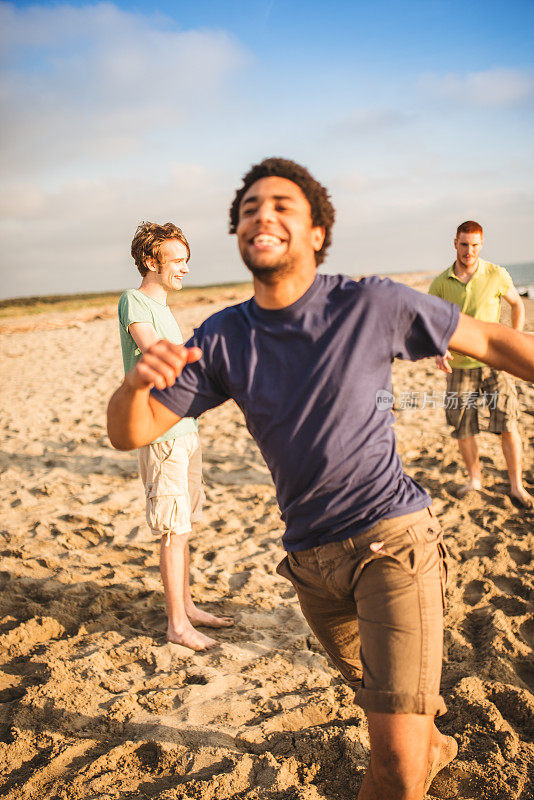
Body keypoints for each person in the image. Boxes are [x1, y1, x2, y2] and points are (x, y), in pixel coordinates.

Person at [108, 159, 534, 800]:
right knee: (394, 718)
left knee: (391, 767)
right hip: (312, 568)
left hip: (394, 545)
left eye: (284, 204)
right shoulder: (224, 337)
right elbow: (129, 432)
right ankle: (434, 745)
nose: (263, 214)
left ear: (317, 232)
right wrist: (135, 382)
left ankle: (418, 753)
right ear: (240, 233)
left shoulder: (369, 304)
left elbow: (492, 340)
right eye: (250, 207)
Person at [118, 221, 232, 652]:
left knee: (184, 525)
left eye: (187, 261)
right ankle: (177, 626)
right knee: (172, 528)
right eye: (177, 261)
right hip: (160, 431)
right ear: (151, 261)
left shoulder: (166, 309)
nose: (184, 269)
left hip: (186, 428)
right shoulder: (135, 301)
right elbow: (156, 352)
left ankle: (187, 606)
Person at [429, 221, 532, 508]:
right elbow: (431, 323)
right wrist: (439, 349)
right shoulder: (440, 282)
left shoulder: (496, 274)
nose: (469, 250)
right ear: (455, 244)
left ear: (481, 244)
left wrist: (514, 340)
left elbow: (517, 304)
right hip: (458, 367)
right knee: (464, 428)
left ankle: (516, 486)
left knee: (508, 423)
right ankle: (475, 480)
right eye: (464, 244)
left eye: (474, 245)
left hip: (496, 363)